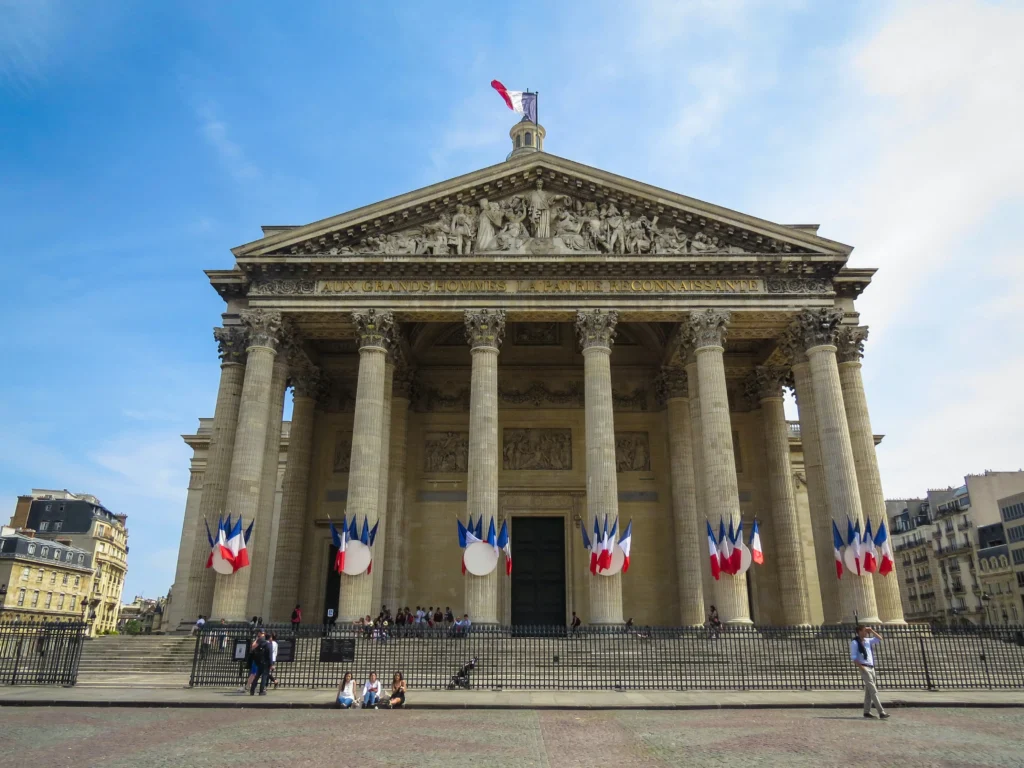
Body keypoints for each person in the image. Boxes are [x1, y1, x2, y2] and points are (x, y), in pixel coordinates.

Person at [851, 625, 889, 719]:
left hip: (871, 667)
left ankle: (866, 712)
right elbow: (853, 657)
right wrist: (862, 668)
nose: (866, 633)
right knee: (873, 690)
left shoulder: (868, 640)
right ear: (859, 631)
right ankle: (881, 712)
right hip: (865, 668)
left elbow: (879, 638)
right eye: (865, 631)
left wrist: (872, 630)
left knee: (869, 691)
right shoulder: (855, 643)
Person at [249, 630, 271, 696]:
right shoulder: (268, 644)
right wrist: (271, 664)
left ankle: (252, 690)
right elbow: (269, 655)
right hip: (265, 662)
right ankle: (261, 691)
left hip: (259, 662)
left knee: (257, 676)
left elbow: (254, 649)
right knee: (264, 677)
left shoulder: (260, 643)